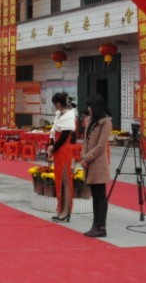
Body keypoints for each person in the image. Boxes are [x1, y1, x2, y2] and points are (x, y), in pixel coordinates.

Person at [80, 94, 112, 237]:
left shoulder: (106, 123)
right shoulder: (91, 121)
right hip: (89, 164)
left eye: (90, 106)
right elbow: (85, 141)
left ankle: (101, 226)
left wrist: (86, 158)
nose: (88, 109)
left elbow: (100, 146)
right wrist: (83, 157)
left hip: (98, 164)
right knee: (95, 195)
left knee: (100, 195)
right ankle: (95, 223)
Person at [47, 92, 77, 222]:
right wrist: (51, 147)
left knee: (65, 180)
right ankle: (61, 209)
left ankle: (66, 210)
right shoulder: (59, 114)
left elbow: (65, 137)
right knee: (60, 179)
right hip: (59, 150)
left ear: (58, 104)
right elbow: (54, 134)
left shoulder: (69, 116)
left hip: (64, 150)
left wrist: (53, 148)